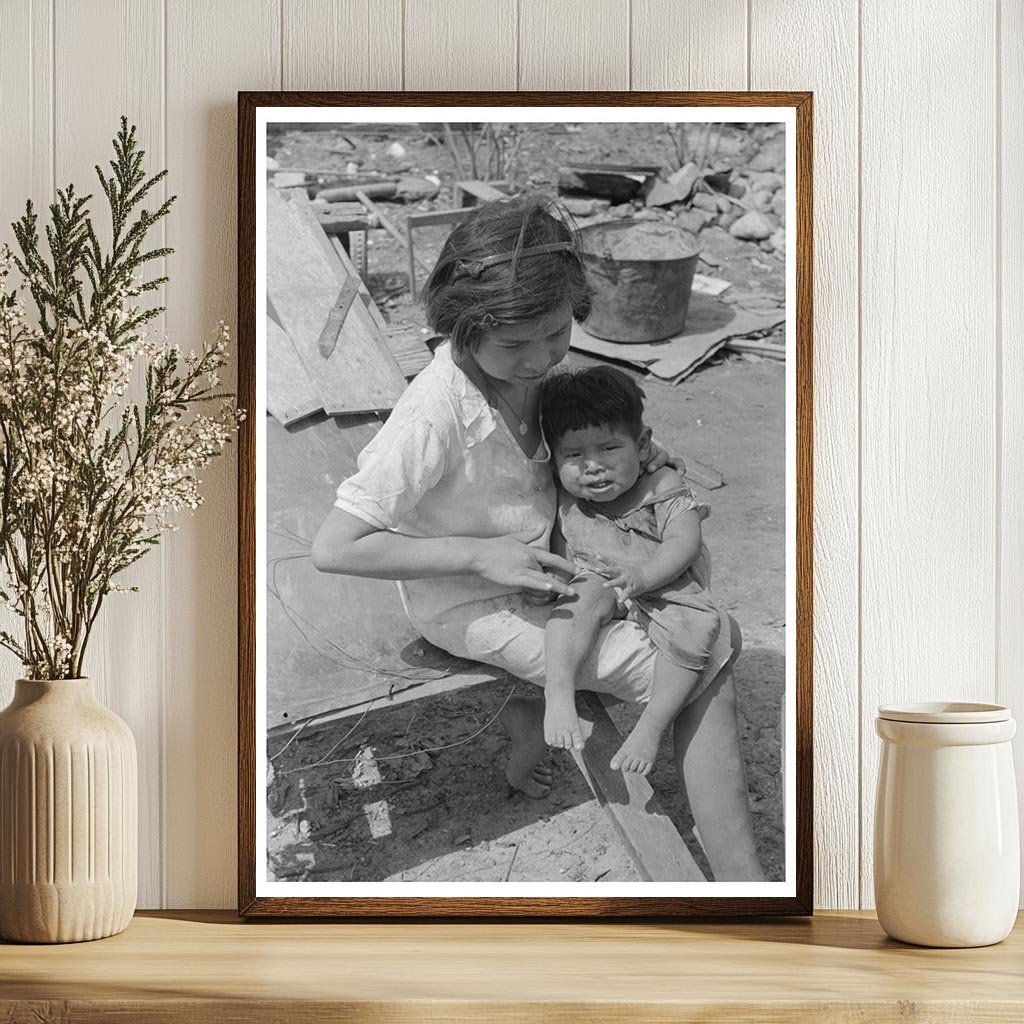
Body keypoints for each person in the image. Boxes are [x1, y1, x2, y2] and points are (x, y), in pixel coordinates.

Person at [312, 194, 764, 880]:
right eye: (515, 345)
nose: (540, 359)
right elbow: (336, 546)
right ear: (462, 326)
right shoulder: (434, 414)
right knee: (703, 666)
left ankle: (536, 723)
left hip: (547, 566)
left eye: (555, 335)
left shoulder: (526, 376)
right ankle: (745, 883)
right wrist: (479, 555)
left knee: (684, 598)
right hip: (469, 601)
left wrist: (643, 466)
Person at [539, 365, 731, 778]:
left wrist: (643, 578)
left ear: (642, 444)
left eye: (608, 449)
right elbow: (562, 552)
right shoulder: (563, 496)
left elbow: (684, 541)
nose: (592, 466)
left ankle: (650, 728)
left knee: (699, 631)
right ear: (554, 458)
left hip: (665, 585)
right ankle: (558, 692)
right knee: (574, 602)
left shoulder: (662, 483)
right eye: (574, 455)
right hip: (601, 579)